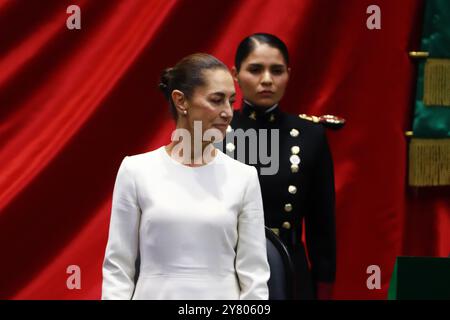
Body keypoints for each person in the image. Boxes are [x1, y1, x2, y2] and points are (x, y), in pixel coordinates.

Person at [102, 53, 270, 300]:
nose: (227, 112)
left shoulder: (244, 177)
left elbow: (254, 276)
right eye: (216, 100)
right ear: (181, 101)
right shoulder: (135, 171)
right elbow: (118, 267)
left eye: (231, 101)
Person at [220, 33, 336, 299]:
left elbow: (322, 227)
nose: (267, 80)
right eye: (255, 69)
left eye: (277, 70)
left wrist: (324, 288)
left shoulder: (310, 135)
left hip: (288, 267)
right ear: (235, 74)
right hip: (227, 270)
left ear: (288, 74)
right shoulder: (216, 134)